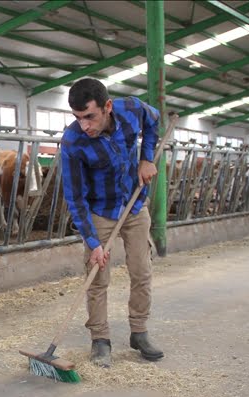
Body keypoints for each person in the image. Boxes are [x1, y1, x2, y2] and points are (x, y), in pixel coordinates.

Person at [59, 77, 164, 367]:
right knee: (96, 278)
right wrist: (93, 242)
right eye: (78, 118)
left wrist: (146, 158)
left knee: (142, 271)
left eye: (90, 116)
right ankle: (100, 339)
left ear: (107, 107)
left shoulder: (131, 110)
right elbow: (75, 197)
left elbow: (154, 120)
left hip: (134, 204)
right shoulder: (72, 142)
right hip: (99, 212)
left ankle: (139, 332)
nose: (84, 126)